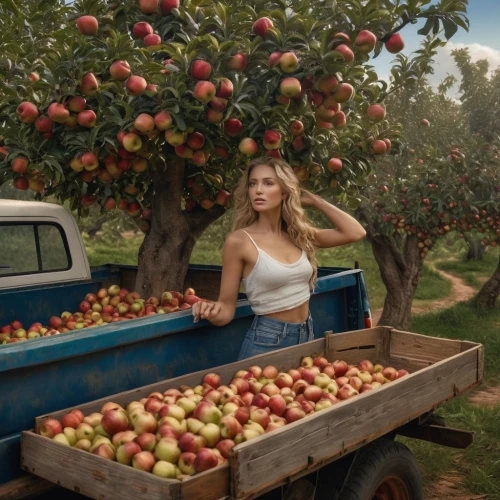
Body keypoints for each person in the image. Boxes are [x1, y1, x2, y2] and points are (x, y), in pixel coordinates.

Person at [192, 157, 366, 360]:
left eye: (268, 183)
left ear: (284, 191)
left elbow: (355, 232)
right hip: (268, 341)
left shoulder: (298, 235)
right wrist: (207, 309)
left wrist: (316, 201)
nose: (258, 190)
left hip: (307, 333)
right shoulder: (239, 241)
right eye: (252, 183)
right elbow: (226, 309)